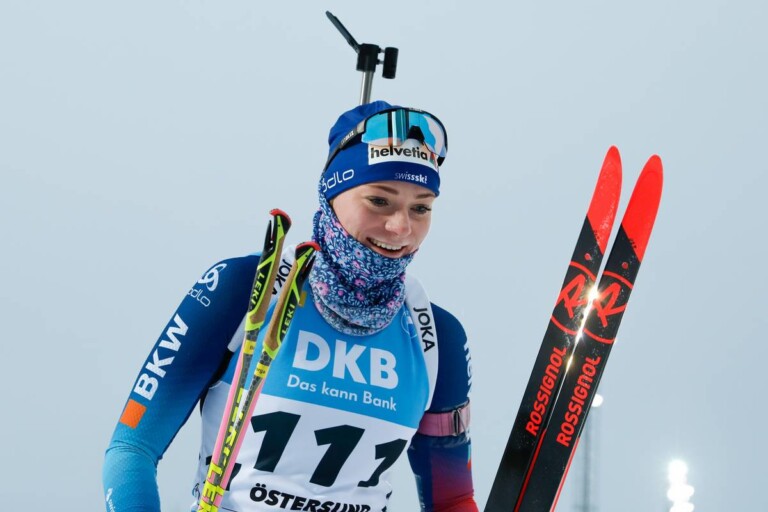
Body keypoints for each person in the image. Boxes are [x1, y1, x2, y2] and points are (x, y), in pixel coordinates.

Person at [103, 100, 478, 512]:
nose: (400, 227)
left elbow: (453, 500)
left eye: (421, 207)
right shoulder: (246, 289)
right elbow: (132, 449)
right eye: (379, 201)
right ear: (332, 195)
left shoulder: (436, 335)